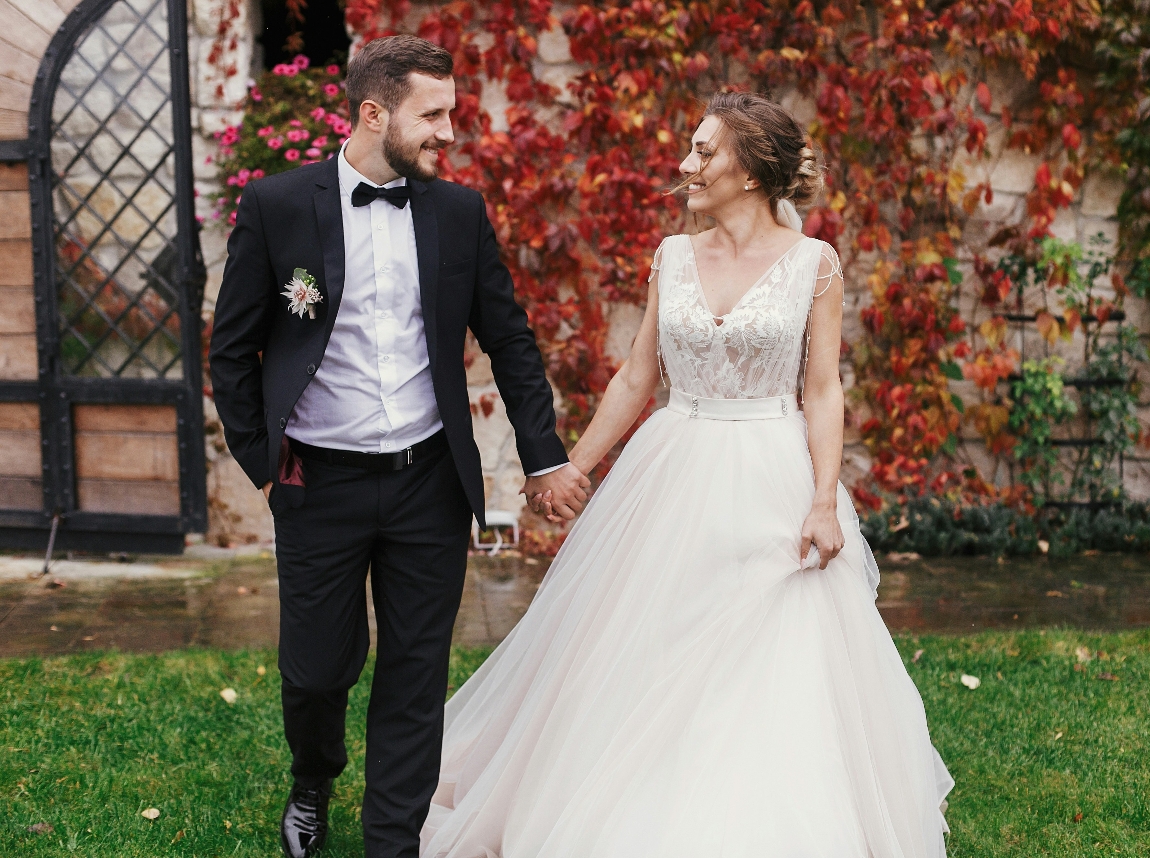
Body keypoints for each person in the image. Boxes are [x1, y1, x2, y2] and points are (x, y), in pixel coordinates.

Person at [419, 91, 954, 858]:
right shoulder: (672, 256)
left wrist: (822, 500)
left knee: (775, 651)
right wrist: (575, 466)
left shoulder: (814, 263)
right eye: (691, 148)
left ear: (755, 168)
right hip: (671, 469)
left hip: (773, 468)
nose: (685, 165)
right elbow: (637, 378)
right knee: (645, 641)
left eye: (705, 152)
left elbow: (823, 389)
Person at [208, 35, 590, 858]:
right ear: (374, 114)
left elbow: (512, 341)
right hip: (317, 481)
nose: (450, 132)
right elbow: (231, 350)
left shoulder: (459, 213)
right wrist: (263, 466)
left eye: (450, 114)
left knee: (415, 674)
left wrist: (545, 454)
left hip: (429, 483)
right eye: (434, 114)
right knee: (315, 671)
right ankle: (313, 779)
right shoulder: (278, 206)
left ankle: (394, 842)